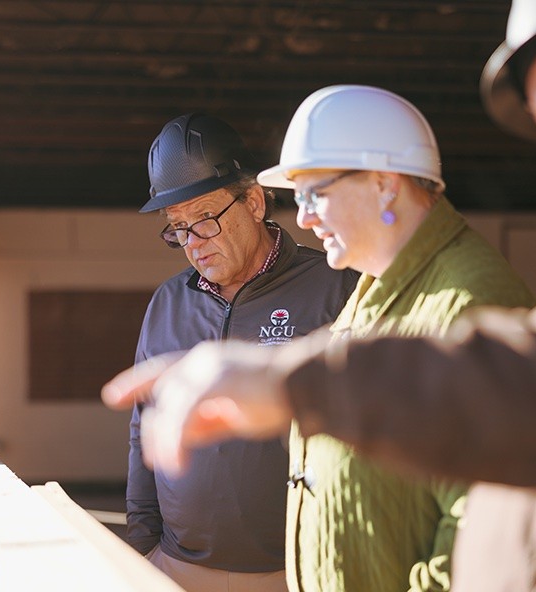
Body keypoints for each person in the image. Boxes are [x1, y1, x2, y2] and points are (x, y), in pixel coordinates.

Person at [103, 0, 536, 589]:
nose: (304, 215)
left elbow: (490, 459)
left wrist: (293, 381)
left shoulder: (455, 295)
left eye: (317, 191)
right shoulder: (373, 293)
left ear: (384, 181)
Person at [105, 112, 359, 592]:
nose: (192, 244)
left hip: (295, 572)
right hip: (177, 569)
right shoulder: (168, 301)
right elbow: (144, 429)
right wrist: (143, 551)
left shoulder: (335, 287)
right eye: (177, 228)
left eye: (204, 220)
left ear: (256, 202)